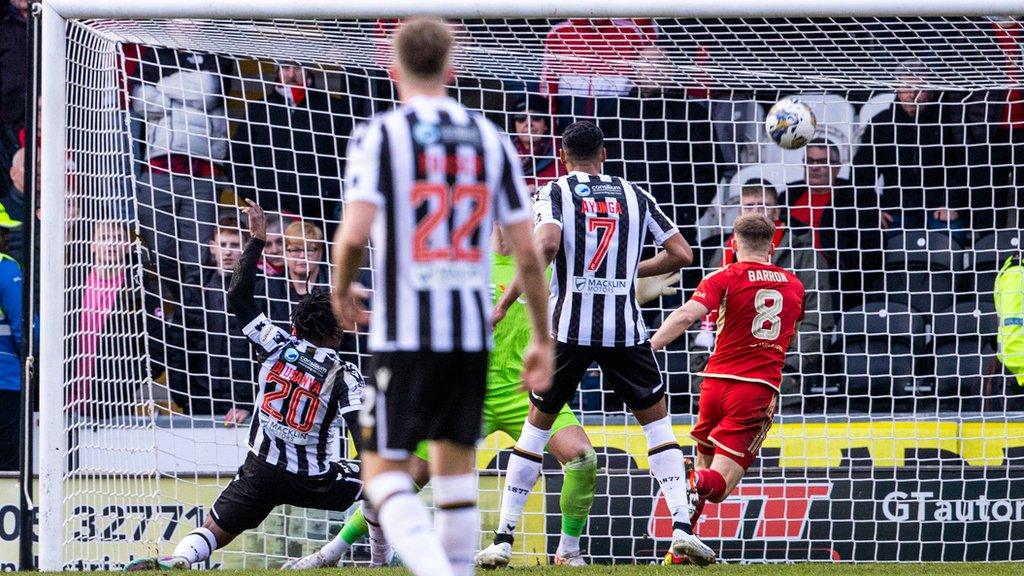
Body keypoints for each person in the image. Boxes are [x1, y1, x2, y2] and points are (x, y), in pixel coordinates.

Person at [331, 18, 552, 576]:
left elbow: (355, 235)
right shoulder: (491, 138)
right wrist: (543, 340)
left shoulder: (379, 135)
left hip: (404, 330)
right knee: (455, 475)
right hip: (469, 332)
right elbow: (528, 255)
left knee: (382, 477)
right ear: (453, 70)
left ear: (392, 69)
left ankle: (437, 570)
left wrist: (340, 291)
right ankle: (456, 569)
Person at [287, 228, 597, 569]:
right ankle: (332, 551)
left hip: (521, 392)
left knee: (582, 458)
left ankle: (567, 552)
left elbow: (591, 292)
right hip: (465, 390)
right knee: (404, 479)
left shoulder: (544, 264)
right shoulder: (465, 264)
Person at [475, 120, 699, 565]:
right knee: (657, 429)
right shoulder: (637, 195)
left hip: (570, 328)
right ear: (604, 154)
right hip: (624, 330)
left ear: (562, 156)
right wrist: (626, 272)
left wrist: (505, 304)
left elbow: (547, 246)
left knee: (535, 431)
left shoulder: (554, 191)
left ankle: (503, 538)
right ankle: (680, 528)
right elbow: (683, 254)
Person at [124, 201, 365, 571]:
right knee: (391, 482)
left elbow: (237, 295)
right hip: (316, 478)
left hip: (261, 469)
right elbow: (361, 432)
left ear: (297, 328)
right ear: (340, 331)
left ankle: (181, 558)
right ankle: (362, 556)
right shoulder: (344, 372)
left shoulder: (275, 343)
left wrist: (256, 239)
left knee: (214, 528)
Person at [650, 213, 806, 566]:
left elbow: (686, 316)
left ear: (733, 244)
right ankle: (683, 477)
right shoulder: (795, 285)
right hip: (756, 390)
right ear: (773, 244)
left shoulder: (722, 276)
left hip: (714, 384)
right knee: (717, 487)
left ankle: (679, 552)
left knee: (704, 475)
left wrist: (648, 350)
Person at [690, 183, 831, 412]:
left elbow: (818, 321)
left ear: (776, 213)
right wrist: (700, 365)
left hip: (779, 385)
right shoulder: (723, 254)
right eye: (749, 206)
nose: (755, 211)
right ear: (740, 214)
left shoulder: (803, 254)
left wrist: (791, 370)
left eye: (763, 205)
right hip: (719, 379)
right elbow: (701, 314)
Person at [131, 49, 231, 289]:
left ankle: (195, 317)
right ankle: (173, 314)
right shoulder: (154, 53)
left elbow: (208, 91)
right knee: (161, 253)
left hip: (203, 173)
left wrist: (163, 86)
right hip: (158, 169)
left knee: (199, 257)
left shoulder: (219, 53)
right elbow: (141, 100)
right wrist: (188, 92)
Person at [230, 63, 351, 224]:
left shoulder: (333, 108)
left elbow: (348, 159)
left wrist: (328, 193)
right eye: (286, 68)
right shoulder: (259, 109)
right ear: (277, 72)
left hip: (319, 212)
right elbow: (235, 157)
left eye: (298, 68)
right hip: (269, 210)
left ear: (309, 71)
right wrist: (252, 193)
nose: (292, 74)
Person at [169, 216, 258, 422]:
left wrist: (249, 402)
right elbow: (179, 343)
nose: (228, 251)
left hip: (247, 403)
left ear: (246, 248)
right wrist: (183, 396)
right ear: (212, 247)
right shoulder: (195, 288)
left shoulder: (261, 287)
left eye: (235, 245)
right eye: (223, 244)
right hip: (201, 399)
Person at [783, 139, 882, 313]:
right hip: (787, 275)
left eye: (822, 162)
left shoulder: (856, 199)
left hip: (833, 279)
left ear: (837, 167)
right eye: (810, 162)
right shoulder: (787, 196)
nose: (814, 167)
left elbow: (871, 248)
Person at [266, 220, 328, 328]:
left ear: (320, 253)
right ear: (285, 253)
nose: (302, 256)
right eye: (295, 250)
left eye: (309, 250)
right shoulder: (267, 288)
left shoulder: (335, 285)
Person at [0, 212, 23, 471]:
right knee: (7, 466)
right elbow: (22, 327)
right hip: (4, 380)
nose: (7, 238)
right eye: (2, 232)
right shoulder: (6, 267)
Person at [509, 94, 564, 193]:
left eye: (536, 117)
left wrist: (540, 190)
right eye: (521, 118)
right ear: (514, 126)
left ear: (546, 124)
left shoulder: (562, 155)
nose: (528, 123)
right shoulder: (506, 153)